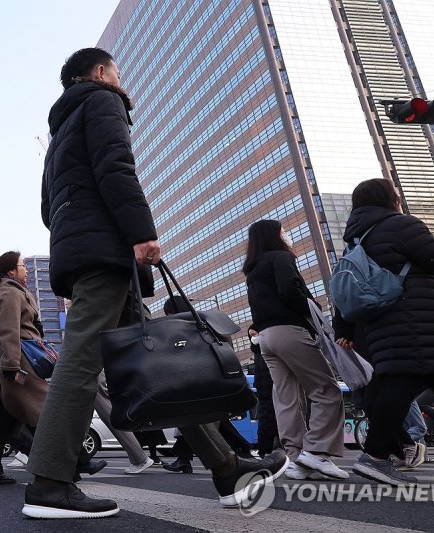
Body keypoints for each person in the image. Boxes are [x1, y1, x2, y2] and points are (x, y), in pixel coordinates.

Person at [24, 48, 286, 519]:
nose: (122, 84)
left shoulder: (59, 132)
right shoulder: (102, 100)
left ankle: (227, 467)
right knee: (82, 361)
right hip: (108, 252)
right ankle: (48, 481)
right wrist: (141, 232)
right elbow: (117, 167)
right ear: (102, 73)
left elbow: (48, 208)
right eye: (118, 75)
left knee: (161, 364)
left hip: (88, 249)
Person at [337, 179, 434, 485]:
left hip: (390, 331)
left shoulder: (357, 240)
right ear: (389, 198)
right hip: (419, 326)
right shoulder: (400, 225)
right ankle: (375, 457)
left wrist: (346, 328)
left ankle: (375, 456)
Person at [243, 219, 348, 481]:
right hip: (289, 331)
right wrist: (311, 308)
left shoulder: (253, 269)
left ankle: (294, 457)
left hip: (266, 338)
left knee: (286, 397)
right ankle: (317, 451)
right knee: (326, 389)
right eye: (283, 231)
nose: (287, 235)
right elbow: (290, 290)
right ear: (273, 236)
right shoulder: (281, 258)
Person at [0, 252, 45, 486]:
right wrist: (11, 365)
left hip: (20, 357)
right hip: (19, 360)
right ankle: (73, 463)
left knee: (4, 417)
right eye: (22, 266)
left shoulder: (14, 291)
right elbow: (8, 331)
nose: (26, 270)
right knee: (43, 410)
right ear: (10, 271)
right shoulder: (8, 293)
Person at [248, 326, 279, 458]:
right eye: (251, 336)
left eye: (255, 334)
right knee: (266, 420)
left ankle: (266, 449)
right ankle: (265, 449)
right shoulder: (257, 352)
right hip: (265, 391)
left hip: (273, 389)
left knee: (269, 420)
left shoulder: (267, 348)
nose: (253, 338)